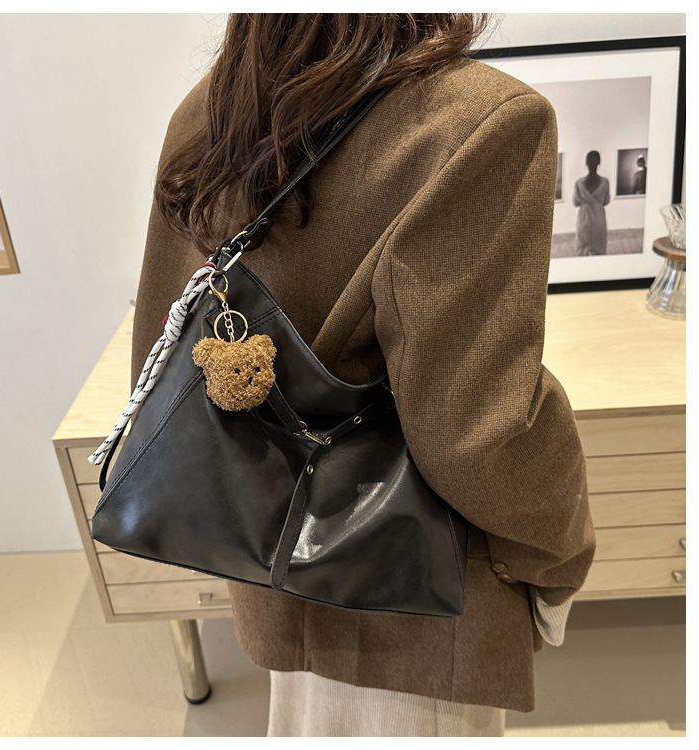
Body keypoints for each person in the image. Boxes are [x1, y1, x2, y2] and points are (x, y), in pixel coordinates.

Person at [132, 14, 596, 737]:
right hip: (415, 592)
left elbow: (162, 356)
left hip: (268, 550)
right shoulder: (479, 119)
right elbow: (477, 433)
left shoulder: (215, 108)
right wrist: (561, 551)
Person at [573, 150, 611, 256]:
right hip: (599, 219)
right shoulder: (605, 182)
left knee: (581, 251)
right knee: (599, 251)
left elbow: (575, 202)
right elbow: (606, 201)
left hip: (583, 219)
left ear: (586, 163)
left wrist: (586, 201)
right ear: (599, 163)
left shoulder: (579, 183)